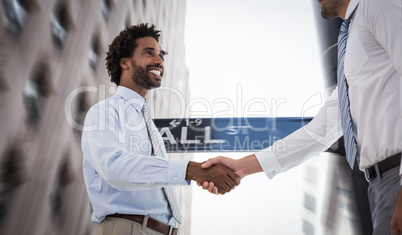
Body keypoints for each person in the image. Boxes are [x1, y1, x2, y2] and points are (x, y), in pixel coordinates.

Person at [200, 0, 402, 234]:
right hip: (379, 188)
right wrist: (241, 167)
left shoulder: (378, 5)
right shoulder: (351, 42)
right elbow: (320, 132)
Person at [81, 23, 240, 235]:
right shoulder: (104, 111)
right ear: (125, 62)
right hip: (127, 228)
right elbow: (115, 168)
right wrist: (191, 170)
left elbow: (155, 179)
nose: (159, 61)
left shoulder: (152, 129)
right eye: (149, 53)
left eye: (161, 55)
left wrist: (204, 175)